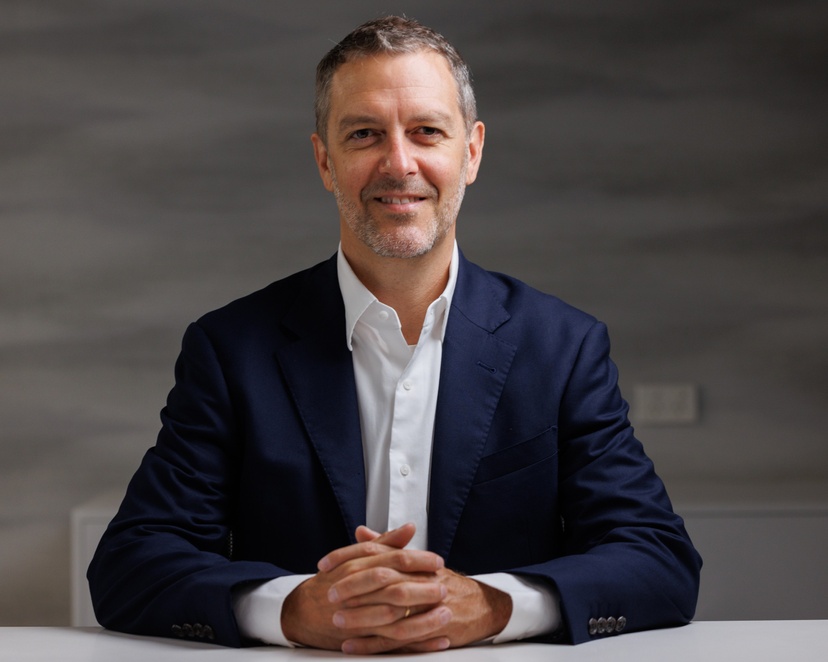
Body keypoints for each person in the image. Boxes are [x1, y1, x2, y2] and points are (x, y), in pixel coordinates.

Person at [88, 15, 701, 654]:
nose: (398, 163)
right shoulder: (230, 349)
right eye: (364, 134)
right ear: (326, 161)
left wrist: (492, 605)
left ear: (471, 153)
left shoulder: (563, 347)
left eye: (427, 132)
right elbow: (133, 562)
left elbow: (657, 558)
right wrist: (292, 608)